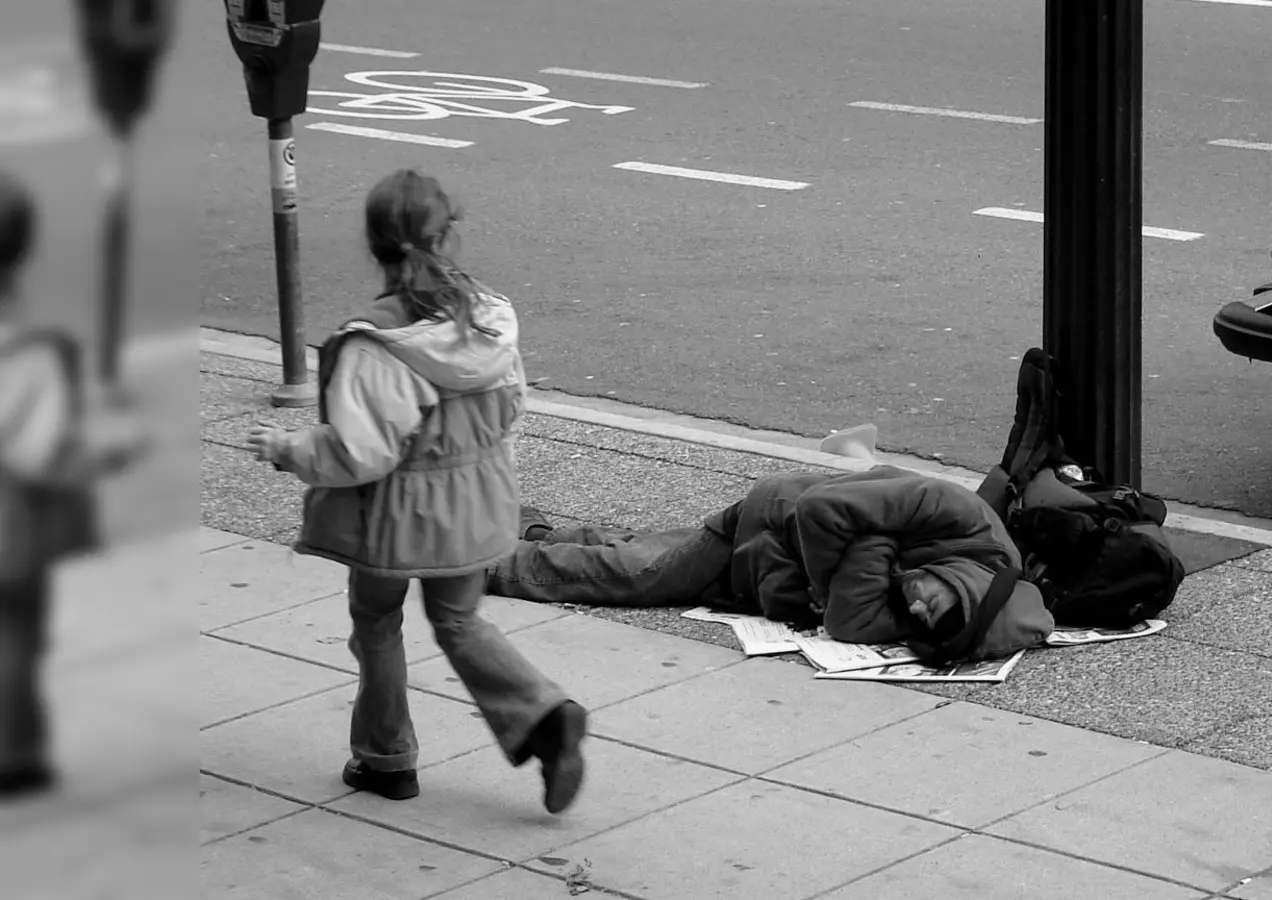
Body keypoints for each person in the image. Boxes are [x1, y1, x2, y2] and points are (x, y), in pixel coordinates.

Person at [245, 170, 586, 812]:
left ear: (374, 246)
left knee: (377, 621)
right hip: (479, 498)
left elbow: (358, 452)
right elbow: (512, 408)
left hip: (396, 516)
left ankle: (386, 759)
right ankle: (544, 714)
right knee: (458, 619)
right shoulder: (488, 317)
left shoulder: (377, 341)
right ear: (447, 233)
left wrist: (288, 449)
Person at [487, 460, 1056, 662]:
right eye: (931, 601)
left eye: (921, 623)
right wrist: (867, 551)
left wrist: (870, 545)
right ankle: (477, 564)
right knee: (639, 576)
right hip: (767, 520)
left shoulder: (937, 609)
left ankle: (523, 527)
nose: (913, 606)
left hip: (764, 566)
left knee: (637, 547)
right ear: (968, 586)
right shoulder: (960, 516)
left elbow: (849, 623)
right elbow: (820, 507)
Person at [0, 172, 149, 798]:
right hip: (9, 530)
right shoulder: (31, 352)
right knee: (12, 638)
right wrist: (108, 454)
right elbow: (37, 453)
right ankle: (15, 755)